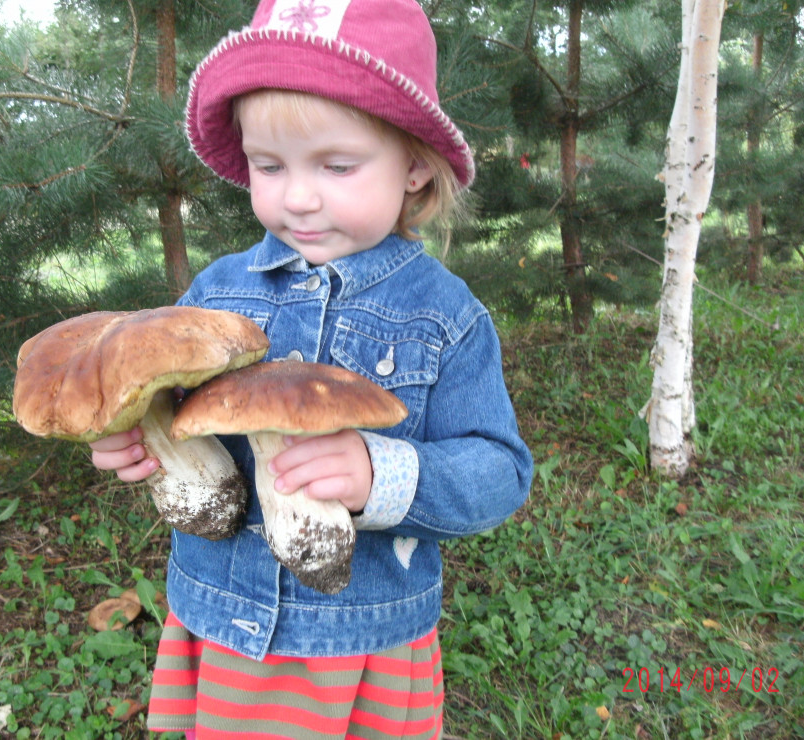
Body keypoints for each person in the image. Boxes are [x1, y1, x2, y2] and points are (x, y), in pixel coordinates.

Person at [89, 0, 534, 737]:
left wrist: (379, 475)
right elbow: (161, 400)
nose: (297, 196)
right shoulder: (215, 296)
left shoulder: (445, 315)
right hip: (227, 620)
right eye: (269, 166)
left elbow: (498, 473)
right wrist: (131, 437)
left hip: (364, 636)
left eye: (336, 165)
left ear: (416, 166)